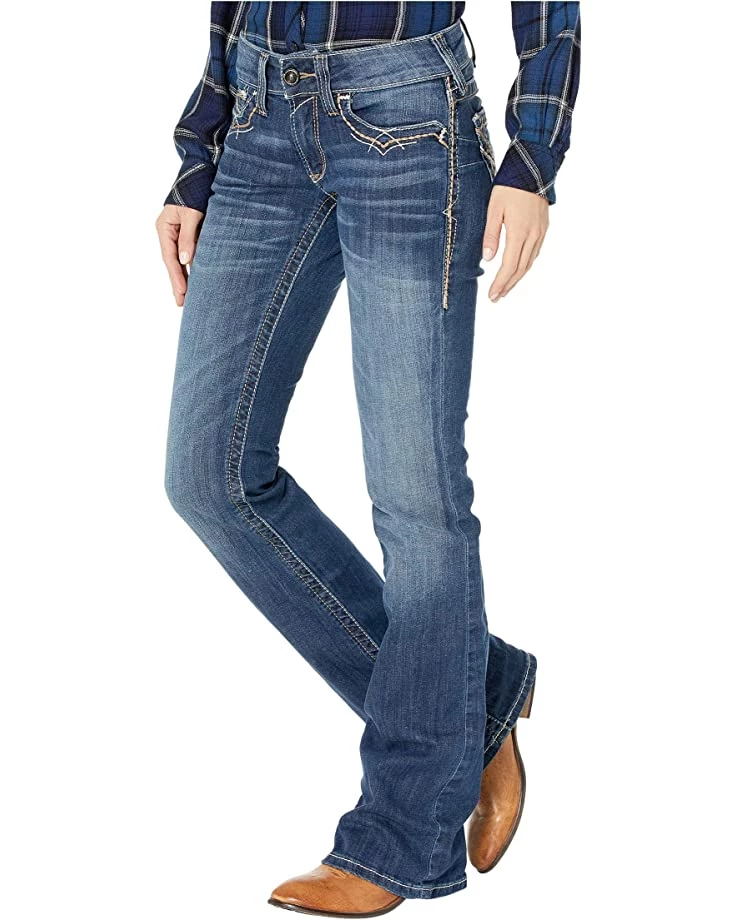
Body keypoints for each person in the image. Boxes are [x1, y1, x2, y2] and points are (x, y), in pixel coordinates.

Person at [156, 3, 580, 915]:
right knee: (208, 476)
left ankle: (402, 836)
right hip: (259, 120)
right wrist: (199, 154)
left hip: (410, 119)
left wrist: (534, 153)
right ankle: (477, 697)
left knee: (416, 498)